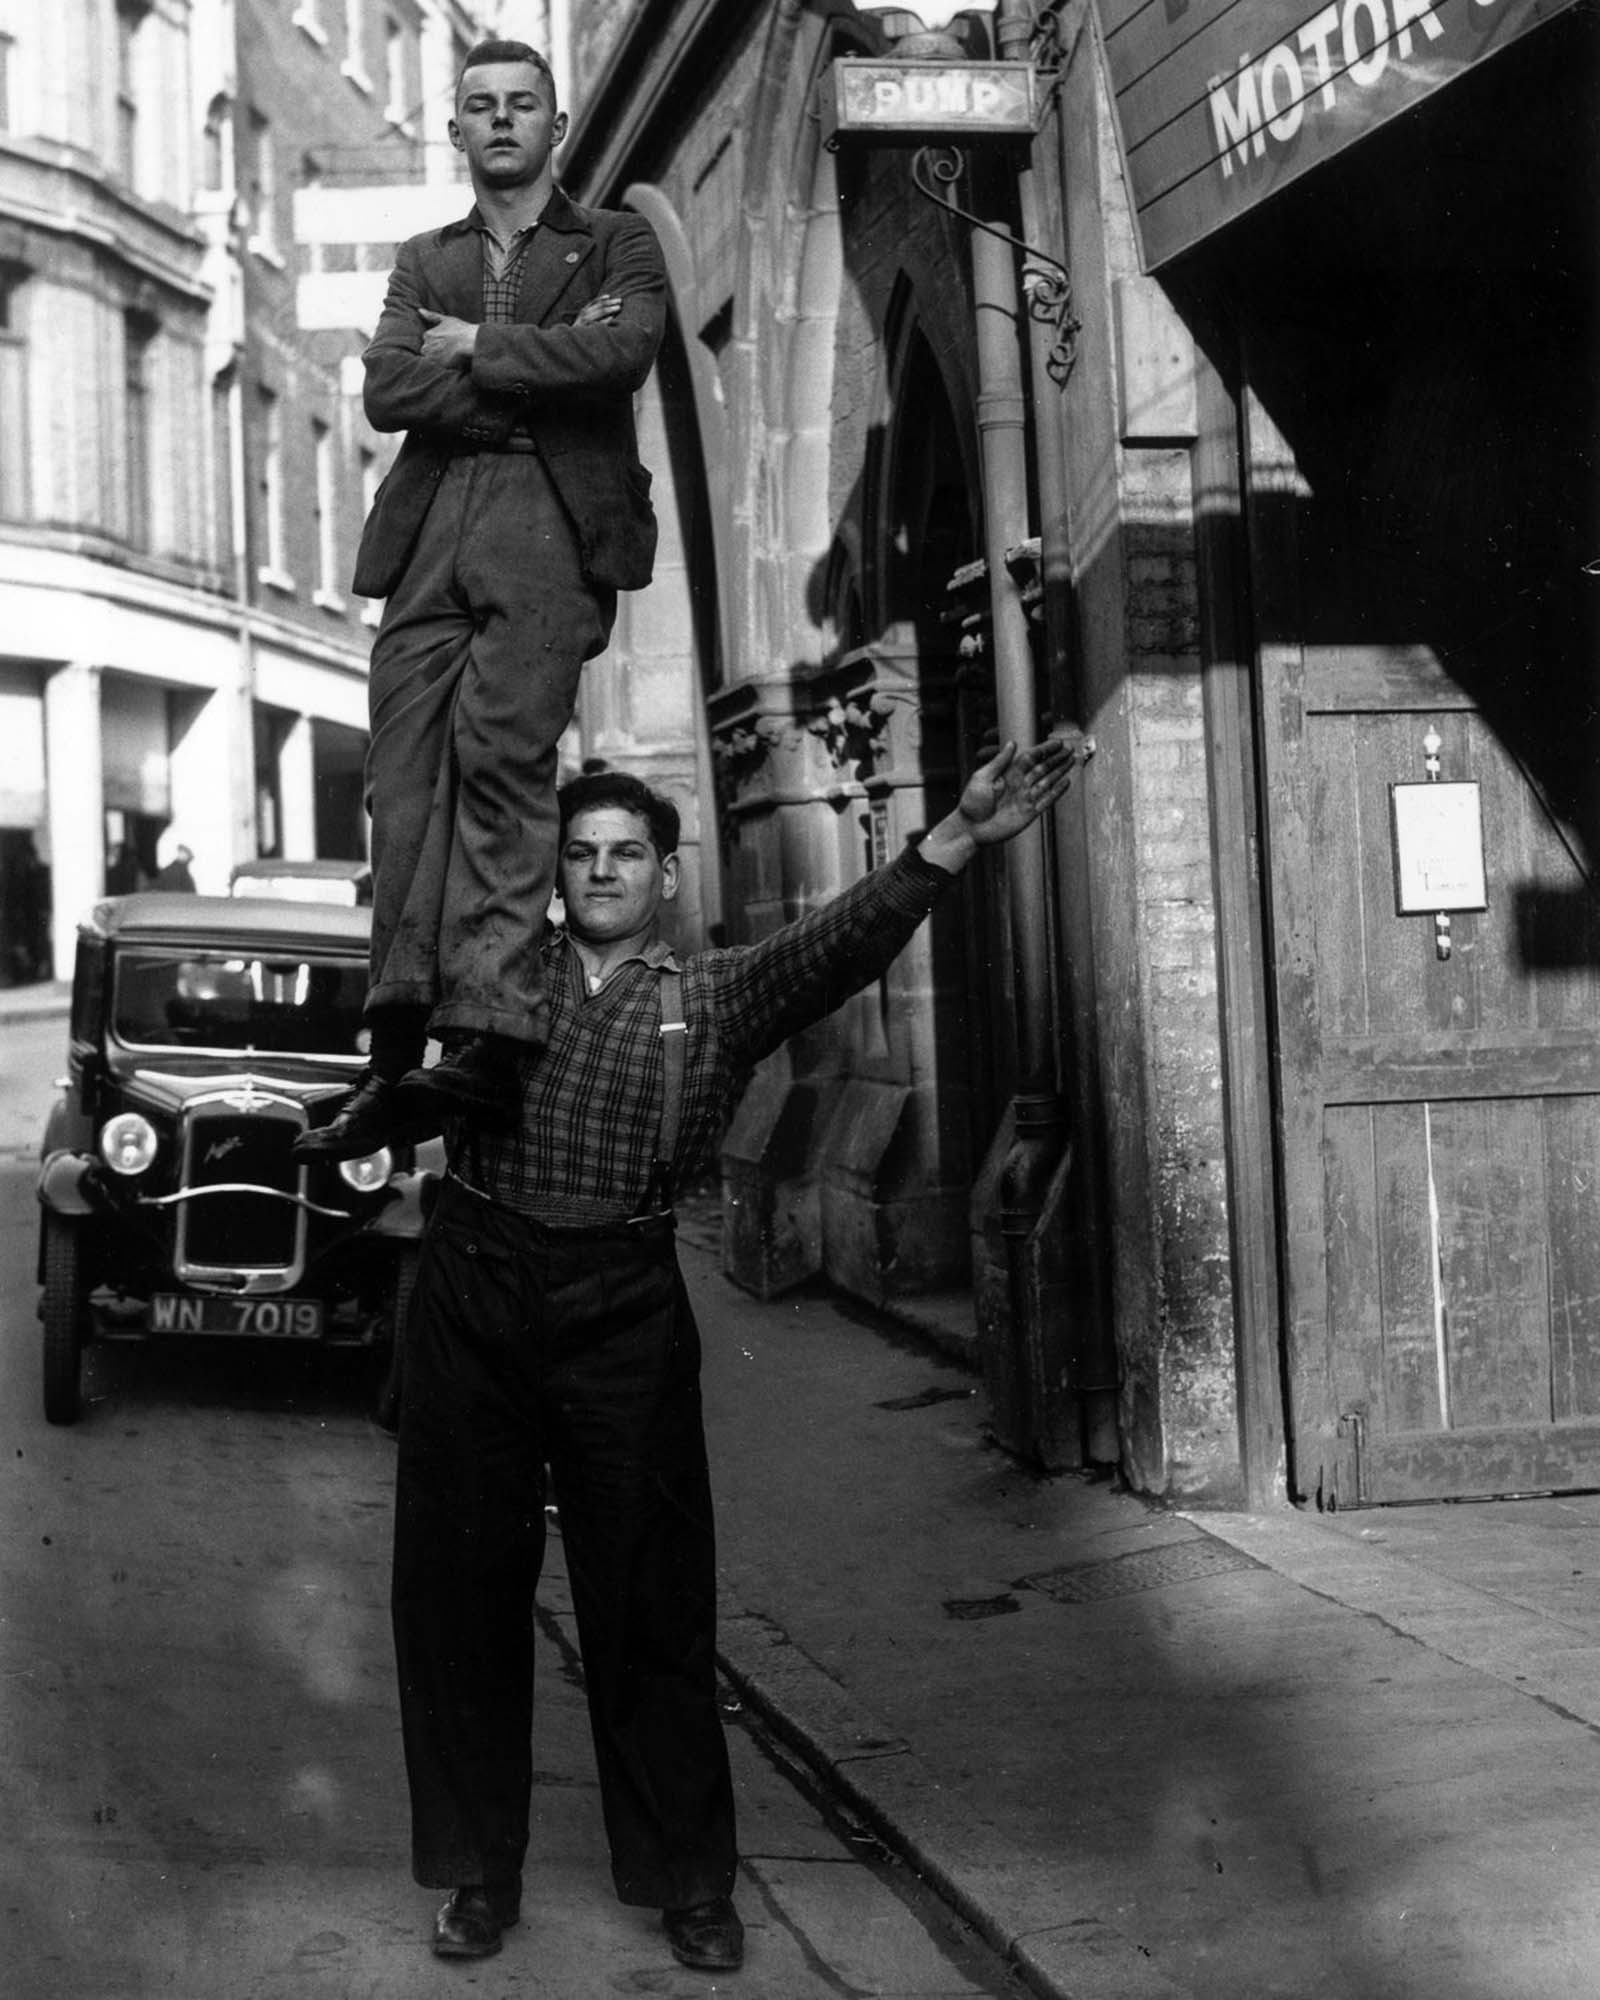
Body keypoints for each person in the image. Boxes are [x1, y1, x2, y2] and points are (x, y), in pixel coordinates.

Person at [389, 735, 1079, 1969]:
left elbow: (841, 942)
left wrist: (957, 834)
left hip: (623, 1298)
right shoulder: (490, 973)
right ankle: (475, 1873)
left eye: (626, 855)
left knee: (650, 1595)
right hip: (475, 1284)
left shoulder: (710, 996)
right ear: (551, 871)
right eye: (580, 853)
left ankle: (687, 1880)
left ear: (665, 872)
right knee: (456, 1592)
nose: (601, 872)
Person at [297, 38, 666, 1163]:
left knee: (505, 762)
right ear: (454, 131)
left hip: (549, 518)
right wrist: (535, 359)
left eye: (522, 105)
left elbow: (628, 350)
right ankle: (399, 1037)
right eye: (478, 107)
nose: (501, 121)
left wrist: (483, 350)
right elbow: (390, 388)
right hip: (431, 523)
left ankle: (493, 1034)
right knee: (402, 779)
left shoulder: (616, 239)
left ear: (555, 127)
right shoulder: (422, 257)